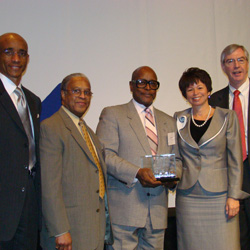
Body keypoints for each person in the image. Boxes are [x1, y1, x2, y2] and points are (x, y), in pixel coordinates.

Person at [96, 66, 182, 250]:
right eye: (142, 82)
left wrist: (172, 177)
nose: (148, 88)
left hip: (157, 212)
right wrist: (137, 172)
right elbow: (106, 156)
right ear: (131, 86)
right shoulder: (113, 114)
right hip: (125, 210)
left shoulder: (169, 121)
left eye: (153, 84)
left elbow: (178, 160)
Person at [175, 67, 249, 250]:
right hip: (188, 197)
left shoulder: (227, 117)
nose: (195, 93)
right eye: (190, 89)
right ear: (185, 94)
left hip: (220, 197)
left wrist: (234, 196)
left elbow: (235, 161)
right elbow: (176, 157)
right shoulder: (179, 118)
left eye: (200, 87)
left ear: (209, 91)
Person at [40, 73, 112, 250]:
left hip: (93, 231)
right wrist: (60, 230)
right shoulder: (51, 127)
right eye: (77, 91)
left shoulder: (89, 133)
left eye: (87, 92)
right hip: (69, 233)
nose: (83, 96)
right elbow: (49, 186)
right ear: (63, 95)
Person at [0, 33, 41, 249]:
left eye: (22, 53)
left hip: (29, 207)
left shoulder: (34, 101)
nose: (16, 58)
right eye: (9, 51)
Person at [209, 44, 250, 250]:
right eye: (230, 61)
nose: (236, 65)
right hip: (229, 172)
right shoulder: (214, 101)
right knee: (237, 233)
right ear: (223, 67)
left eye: (240, 60)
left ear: (247, 63)